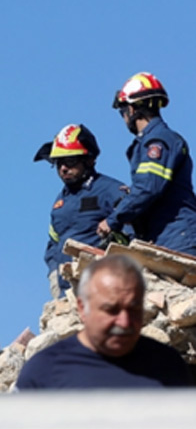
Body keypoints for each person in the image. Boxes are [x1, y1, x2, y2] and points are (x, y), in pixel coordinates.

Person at [15, 254, 192, 389]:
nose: (124, 322)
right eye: (111, 310)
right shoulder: (43, 373)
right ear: (83, 308)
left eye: (133, 309)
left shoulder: (168, 366)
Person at [98, 72, 196, 255]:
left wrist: (113, 220)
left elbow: (148, 188)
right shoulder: (155, 140)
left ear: (132, 110)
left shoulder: (158, 141)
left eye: (123, 112)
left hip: (177, 238)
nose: (124, 118)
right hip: (164, 236)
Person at [33, 124, 129, 298]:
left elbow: (132, 229)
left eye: (69, 161)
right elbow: (54, 243)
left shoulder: (110, 190)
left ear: (89, 160)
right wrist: (54, 274)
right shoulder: (60, 203)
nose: (63, 168)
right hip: (68, 290)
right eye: (59, 163)